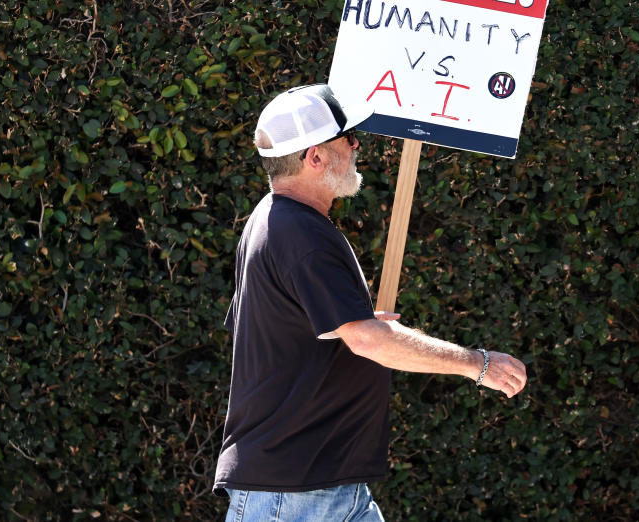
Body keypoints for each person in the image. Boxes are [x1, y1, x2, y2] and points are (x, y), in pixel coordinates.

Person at [213, 84, 527, 521]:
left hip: (312, 486)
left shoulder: (275, 220)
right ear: (314, 157)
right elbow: (367, 341)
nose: (357, 145)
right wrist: (478, 363)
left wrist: (356, 323)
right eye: (348, 137)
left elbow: (290, 328)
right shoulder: (301, 234)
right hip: (296, 493)